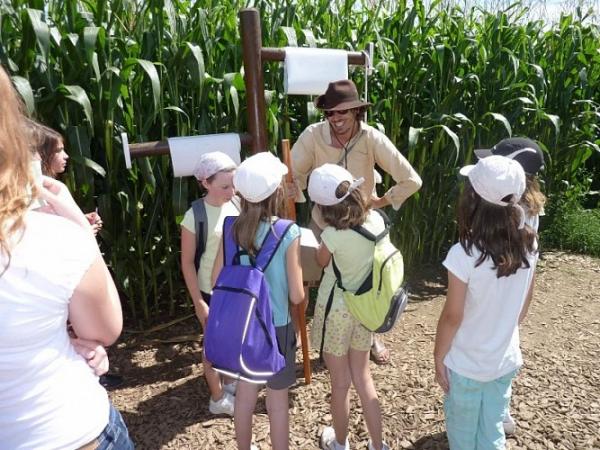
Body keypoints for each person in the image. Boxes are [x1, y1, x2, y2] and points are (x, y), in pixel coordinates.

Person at [0, 65, 133, 448]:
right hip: (69, 430)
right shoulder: (49, 236)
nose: (65, 158)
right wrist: (79, 232)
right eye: (56, 152)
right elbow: (104, 328)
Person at [291, 79, 422, 365]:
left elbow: (411, 179)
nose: (336, 119)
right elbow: (292, 174)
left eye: (343, 112)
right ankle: (316, 334)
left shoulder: (371, 137)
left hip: (365, 224)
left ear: (357, 111)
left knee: (369, 280)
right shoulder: (313, 136)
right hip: (324, 223)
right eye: (330, 113)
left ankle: (372, 333)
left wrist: (380, 202)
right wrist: (294, 186)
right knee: (314, 277)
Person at [433, 155, 537, 449]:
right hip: (505, 360)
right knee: (492, 429)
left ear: (472, 199)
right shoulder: (530, 244)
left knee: (463, 436)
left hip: (467, 365)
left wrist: (439, 356)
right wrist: (502, 328)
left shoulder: (463, 254)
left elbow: (452, 316)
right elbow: (525, 300)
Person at [211, 152, 304, 450]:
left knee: (245, 397)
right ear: (276, 191)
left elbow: (215, 281)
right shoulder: (287, 231)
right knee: (277, 402)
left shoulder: (229, 228)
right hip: (277, 327)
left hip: (244, 327)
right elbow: (296, 295)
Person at [307, 164, 390, 450]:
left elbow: (320, 261)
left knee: (340, 383)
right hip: (364, 309)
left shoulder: (332, 236)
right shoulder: (377, 222)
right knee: (363, 377)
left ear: (323, 206)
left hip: (337, 312)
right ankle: (378, 445)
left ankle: (340, 442)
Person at [474, 137, 546, 435]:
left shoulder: (506, 211)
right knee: (504, 350)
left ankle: (482, 417)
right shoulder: (532, 207)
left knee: (483, 355)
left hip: (492, 297)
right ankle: (500, 413)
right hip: (514, 297)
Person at [180, 151, 239, 416]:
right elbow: (187, 263)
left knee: (230, 339)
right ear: (206, 182)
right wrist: (199, 302)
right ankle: (217, 398)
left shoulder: (235, 204)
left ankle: (227, 381)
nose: (232, 190)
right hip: (210, 291)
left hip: (232, 288)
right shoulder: (195, 216)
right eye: (225, 186)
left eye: (233, 184)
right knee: (212, 346)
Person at [31, 121, 103, 235]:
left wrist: (81, 219)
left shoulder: (50, 186)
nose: (66, 156)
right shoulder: (42, 192)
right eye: (59, 150)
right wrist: (81, 229)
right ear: (44, 153)